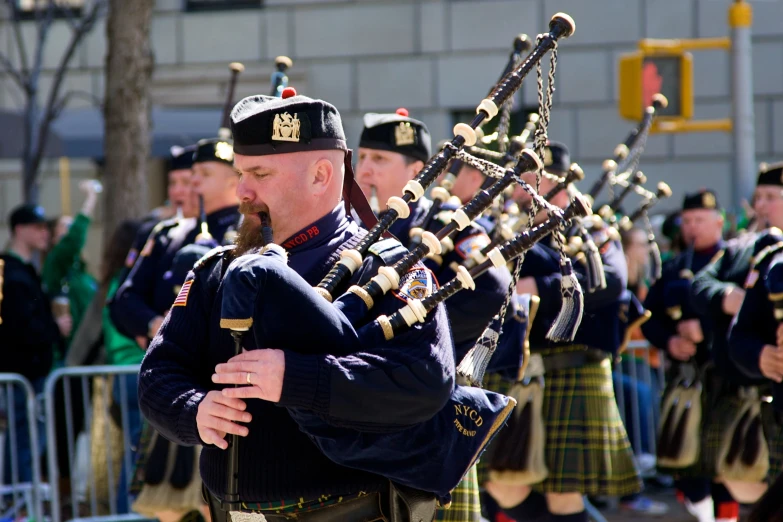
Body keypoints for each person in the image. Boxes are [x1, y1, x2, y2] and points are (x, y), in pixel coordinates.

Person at [138, 92, 455, 522]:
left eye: (260, 173)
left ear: (321, 175)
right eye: (240, 173)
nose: (242, 191)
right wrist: (195, 410)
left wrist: (297, 379)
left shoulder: (387, 270)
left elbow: (423, 380)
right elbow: (159, 373)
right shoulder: (215, 270)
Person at [356, 110, 511, 522]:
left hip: (423, 400)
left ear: (417, 171)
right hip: (357, 400)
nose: (366, 169)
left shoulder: (445, 222)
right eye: (363, 156)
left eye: (381, 159)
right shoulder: (349, 226)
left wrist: (421, 345)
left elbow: (489, 288)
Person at [485, 141, 641, 522]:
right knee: (505, 485)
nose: (528, 191)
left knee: (563, 494)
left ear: (563, 182)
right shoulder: (504, 229)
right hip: (519, 369)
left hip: (574, 368)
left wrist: (539, 288)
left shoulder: (592, 229)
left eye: (538, 181)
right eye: (522, 183)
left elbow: (610, 281)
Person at [110, 140, 240, 344]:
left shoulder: (249, 232)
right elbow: (125, 299)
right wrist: (157, 326)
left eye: (204, 174)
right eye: (194, 173)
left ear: (234, 182)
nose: (195, 181)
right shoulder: (169, 235)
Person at [1, 204, 63, 483]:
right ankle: (18, 508)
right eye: (37, 227)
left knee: (27, 442)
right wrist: (55, 328)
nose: (45, 234)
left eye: (46, 228)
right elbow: (20, 328)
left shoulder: (23, 270)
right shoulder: (11, 274)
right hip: (21, 376)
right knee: (23, 444)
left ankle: (19, 504)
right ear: (19, 230)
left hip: (28, 375)